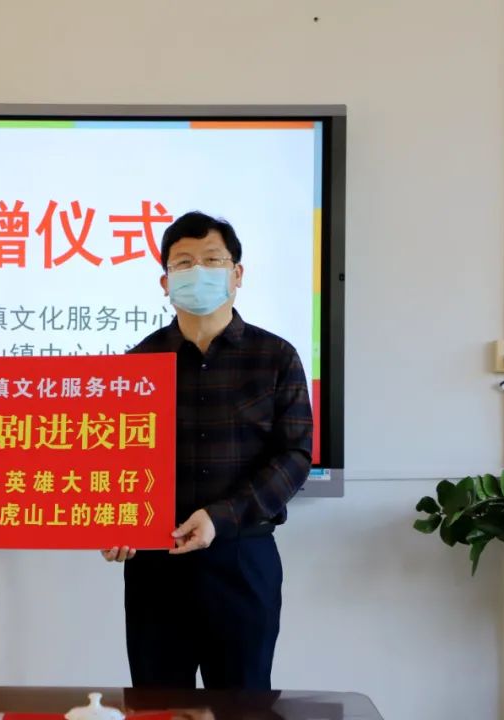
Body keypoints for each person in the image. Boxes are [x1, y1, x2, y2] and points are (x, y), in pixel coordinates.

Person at [102, 212, 313, 690]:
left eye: (212, 260)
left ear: (237, 274)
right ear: (165, 282)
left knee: (243, 703)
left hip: (242, 559)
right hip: (157, 565)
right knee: (157, 704)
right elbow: (115, 461)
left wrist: (220, 517)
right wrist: (114, 519)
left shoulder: (275, 357)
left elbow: (295, 456)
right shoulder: (137, 364)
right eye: (183, 263)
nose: (198, 271)